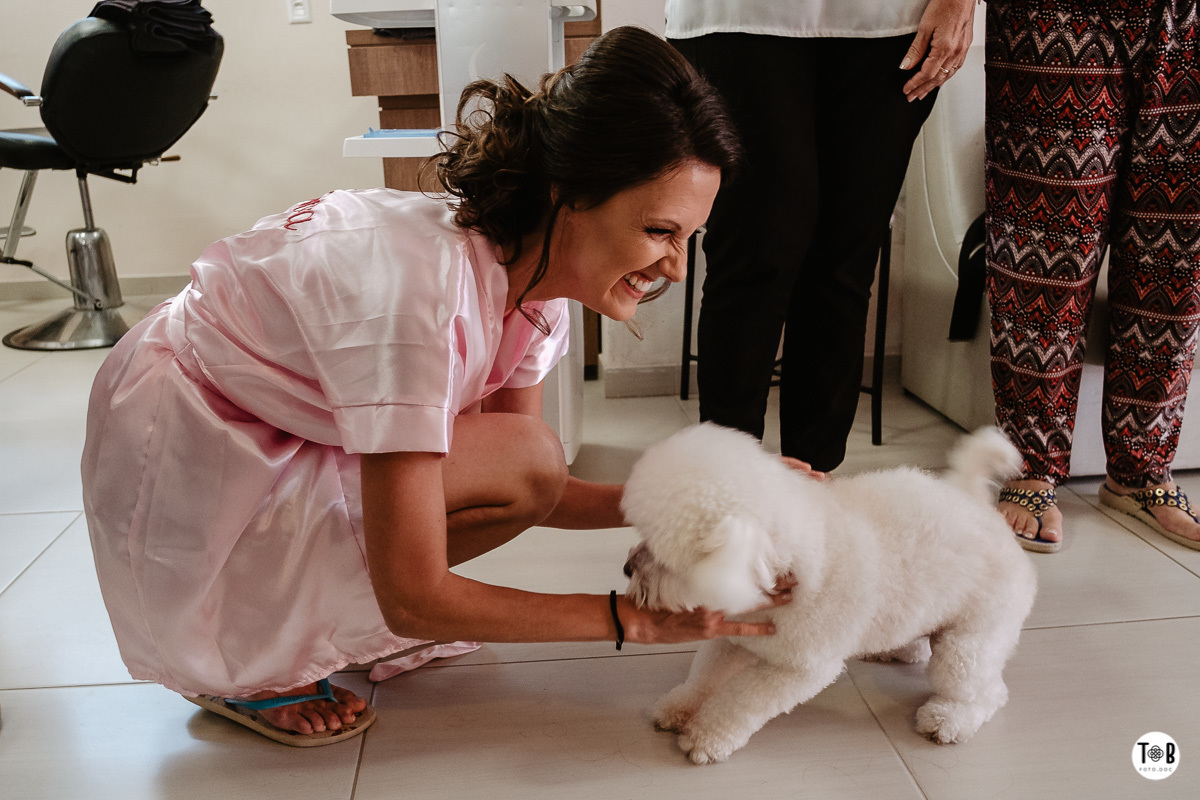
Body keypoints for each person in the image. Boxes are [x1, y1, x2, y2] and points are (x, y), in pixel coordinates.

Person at [80, 26, 798, 747]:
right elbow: (416, 591)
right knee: (508, 480)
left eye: (687, 239)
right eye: (658, 231)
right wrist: (628, 619)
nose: (674, 266)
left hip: (278, 417)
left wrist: (716, 501)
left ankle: (328, 621)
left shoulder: (536, 290)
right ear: (569, 196)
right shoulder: (423, 297)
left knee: (529, 461)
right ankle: (246, 662)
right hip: (192, 437)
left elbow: (530, 487)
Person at [664, 0, 977, 473]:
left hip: (889, 22)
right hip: (738, 16)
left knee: (843, 263)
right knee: (754, 252)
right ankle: (724, 494)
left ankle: (814, 481)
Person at [986, 0, 1200, 554]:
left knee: (1175, 253)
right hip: (1057, 14)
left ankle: (1141, 466)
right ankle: (1031, 464)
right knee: (1046, 249)